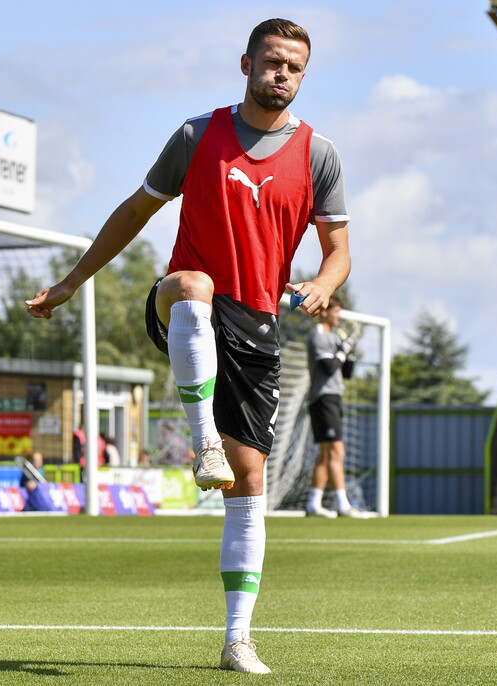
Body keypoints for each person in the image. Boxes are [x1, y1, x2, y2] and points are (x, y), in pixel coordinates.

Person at [25, 18, 350, 674]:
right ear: (246, 63)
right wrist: (69, 281)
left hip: (259, 326)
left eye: (293, 65)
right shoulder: (198, 136)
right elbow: (135, 211)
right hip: (185, 303)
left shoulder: (319, 155)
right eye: (270, 61)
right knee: (192, 284)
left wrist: (322, 282)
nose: (280, 72)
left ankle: (238, 637)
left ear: (303, 75)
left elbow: (339, 251)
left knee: (250, 479)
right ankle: (201, 432)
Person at [304, 295, 367, 518]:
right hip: (323, 398)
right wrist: (344, 349)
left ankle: (313, 503)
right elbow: (330, 367)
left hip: (334, 397)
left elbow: (346, 373)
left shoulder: (334, 337)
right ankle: (343, 505)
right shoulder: (319, 336)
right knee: (336, 451)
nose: (338, 316)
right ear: (325, 312)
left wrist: (350, 351)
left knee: (325, 455)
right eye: (336, 311)